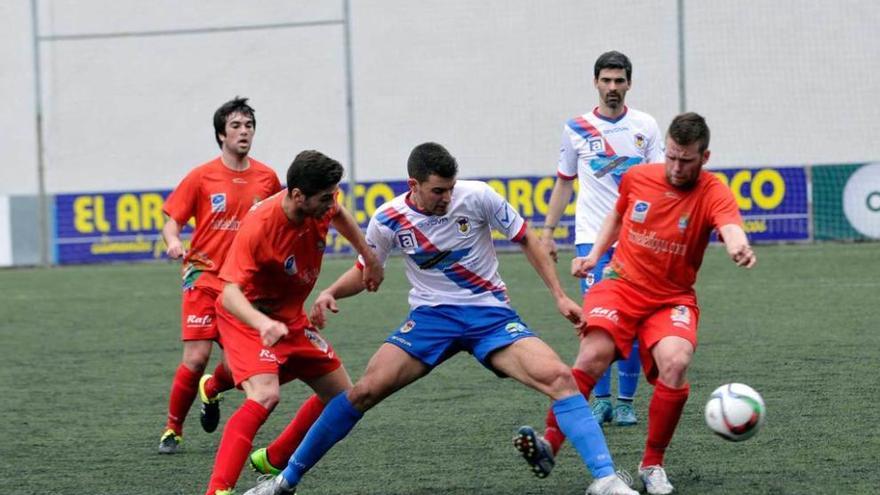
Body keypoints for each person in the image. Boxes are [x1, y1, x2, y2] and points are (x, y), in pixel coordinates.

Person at [243, 142, 637, 495]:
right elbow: (369, 268)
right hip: (431, 319)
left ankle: (604, 479)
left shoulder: (478, 197)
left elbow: (526, 239)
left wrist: (559, 296)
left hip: (490, 315)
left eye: (451, 188)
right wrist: (331, 291)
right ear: (413, 184)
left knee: (560, 378)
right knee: (362, 392)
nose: (447, 197)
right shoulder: (389, 218)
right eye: (437, 191)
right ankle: (283, 481)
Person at [566, 112, 755, 494]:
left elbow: (729, 223)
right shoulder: (640, 176)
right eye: (670, 156)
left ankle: (652, 465)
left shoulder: (713, 190)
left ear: (704, 157)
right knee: (591, 356)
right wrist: (594, 256)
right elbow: (616, 217)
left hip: (671, 297)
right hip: (623, 283)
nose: (675, 166)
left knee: (676, 362)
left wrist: (738, 245)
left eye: (685, 159)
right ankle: (550, 443)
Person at [202, 150, 383, 495]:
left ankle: (274, 457)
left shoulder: (322, 203)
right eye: (325, 197)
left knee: (342, 397)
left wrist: (369, 256)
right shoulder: (261, 227)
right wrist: (261, 323)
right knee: (265, 394)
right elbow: (229, 294)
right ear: (298, 195)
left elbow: (339, 213)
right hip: (248, 317)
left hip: (290, 318)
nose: (332, 202)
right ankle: (218, 490)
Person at [538, 50, 665, 449]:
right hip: (591, 238)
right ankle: (603, 401)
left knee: (631, 322)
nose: (612, 88)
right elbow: (563, 181)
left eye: (619, 81)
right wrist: (547, 232)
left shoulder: (645, 126)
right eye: (606, 80)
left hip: (637, 240)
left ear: (629, 83)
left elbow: (661, 183)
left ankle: (625, 402)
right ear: (595, 82)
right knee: (598, 322)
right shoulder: (577, 128)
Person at [158, 97, 282, 454]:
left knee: (242, 364)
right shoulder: (201, 176)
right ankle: (172, 429)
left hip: (244, 286)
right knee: (195, 358)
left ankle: (211, 390)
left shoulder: (267, 177)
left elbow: (279, 222)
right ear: (220, 135)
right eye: (236, 126)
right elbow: (172, 221)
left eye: (249, 126)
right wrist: (172, 242)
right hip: (203, 276)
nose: (244, 132)